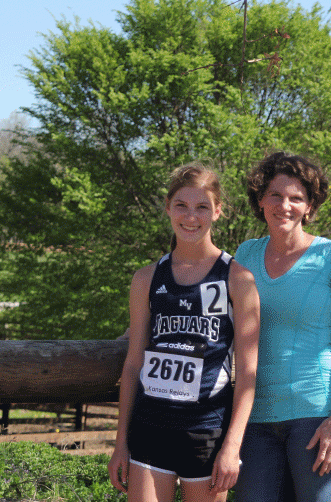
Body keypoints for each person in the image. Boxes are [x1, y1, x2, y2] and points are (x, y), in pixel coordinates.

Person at [108, 163, 261, 502]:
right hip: (150, 428)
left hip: (205, 431)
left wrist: (232, 446)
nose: (191, 217)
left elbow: (249, 372)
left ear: (218, 212)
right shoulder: (146, 278)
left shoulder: (238, 279)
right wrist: (120, 442)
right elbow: (133, 364)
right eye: (182, 206)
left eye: (202, 207)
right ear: (168, 208)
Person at [234, 152, 331, 502]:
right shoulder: (244, 255)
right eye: (275, 195)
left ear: (309, 206)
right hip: (256, 418)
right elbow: (208, 308)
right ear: (260, 200)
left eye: (297, 198)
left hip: (318, 416)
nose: (285, 205)